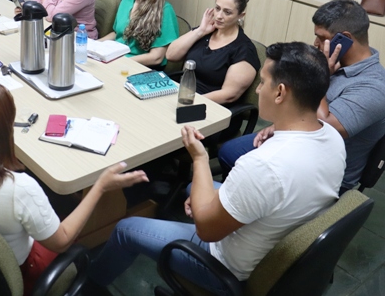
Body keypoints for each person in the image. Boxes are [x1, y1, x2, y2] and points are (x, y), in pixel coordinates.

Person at [88, 42, 346, 294]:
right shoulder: (332, 137)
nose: (257, 90)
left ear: (280, 92)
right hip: (278, 227)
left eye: (262, 82)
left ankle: (90, 285)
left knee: (124, 229)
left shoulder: (262, 166)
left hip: (225, 265)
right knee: (193, 187)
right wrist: (203, 197)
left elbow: (207, 230)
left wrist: (200, 159)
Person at [0, 83, 148, 295]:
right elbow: (62, 241)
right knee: (71, 242)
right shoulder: (18, 189)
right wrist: (100, 186)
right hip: (13, 275)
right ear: (3, 133)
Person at [219, 0, 385, 191]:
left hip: (324, 174)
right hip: (298, 143)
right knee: (230, 152)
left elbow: (323, 127)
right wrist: (278, 126)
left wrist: (322, 74)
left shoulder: (375, 87)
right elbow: (302, 105)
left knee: (239, 160)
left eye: (321, 37)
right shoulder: (337, 64)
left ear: (345, 39)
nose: (316, 43)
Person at [165, 0, 260, 105]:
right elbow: (171, 55)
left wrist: (190, 100)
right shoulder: (205, 32)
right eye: (217, 8)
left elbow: (229, 95)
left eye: (227, 12)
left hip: (208, 107)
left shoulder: (244, 49)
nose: (219, 16)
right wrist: (200, 31)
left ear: (240, 15)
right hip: (182, 96)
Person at [99, 0, 179, 68]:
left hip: (141, 66)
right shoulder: (128, 0)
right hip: (117, 58)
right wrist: (94, 45)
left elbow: (156, 57)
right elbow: (117, 33)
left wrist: (122, 62)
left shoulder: (165, 10)